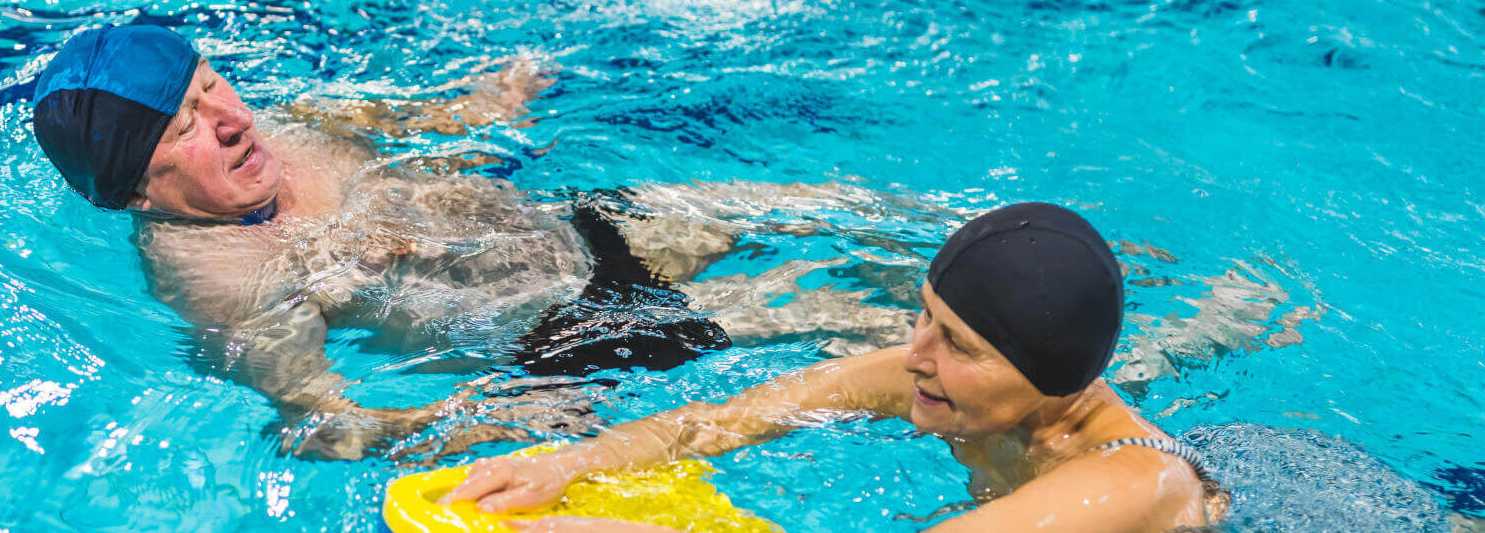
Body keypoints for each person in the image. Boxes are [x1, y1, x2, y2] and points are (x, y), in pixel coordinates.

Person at [29, 25, 910, 460]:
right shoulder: (222, 280)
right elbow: (321, 425)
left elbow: (413, 123)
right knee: (854, 319)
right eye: (185, 125)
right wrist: (476, 420)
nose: (230, 119)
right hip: (573, 323)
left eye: (214, 83)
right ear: (137, 190)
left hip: (573, 224)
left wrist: (488, 103)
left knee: (840, 206)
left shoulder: (284, 132)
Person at [445, 203, 1230, 532]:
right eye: (925, 314)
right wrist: (580, 458)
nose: (914, 352)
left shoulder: (1135, 482)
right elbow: (725, 418)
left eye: (959, 344)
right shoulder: (935, 379)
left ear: (1050, 375)